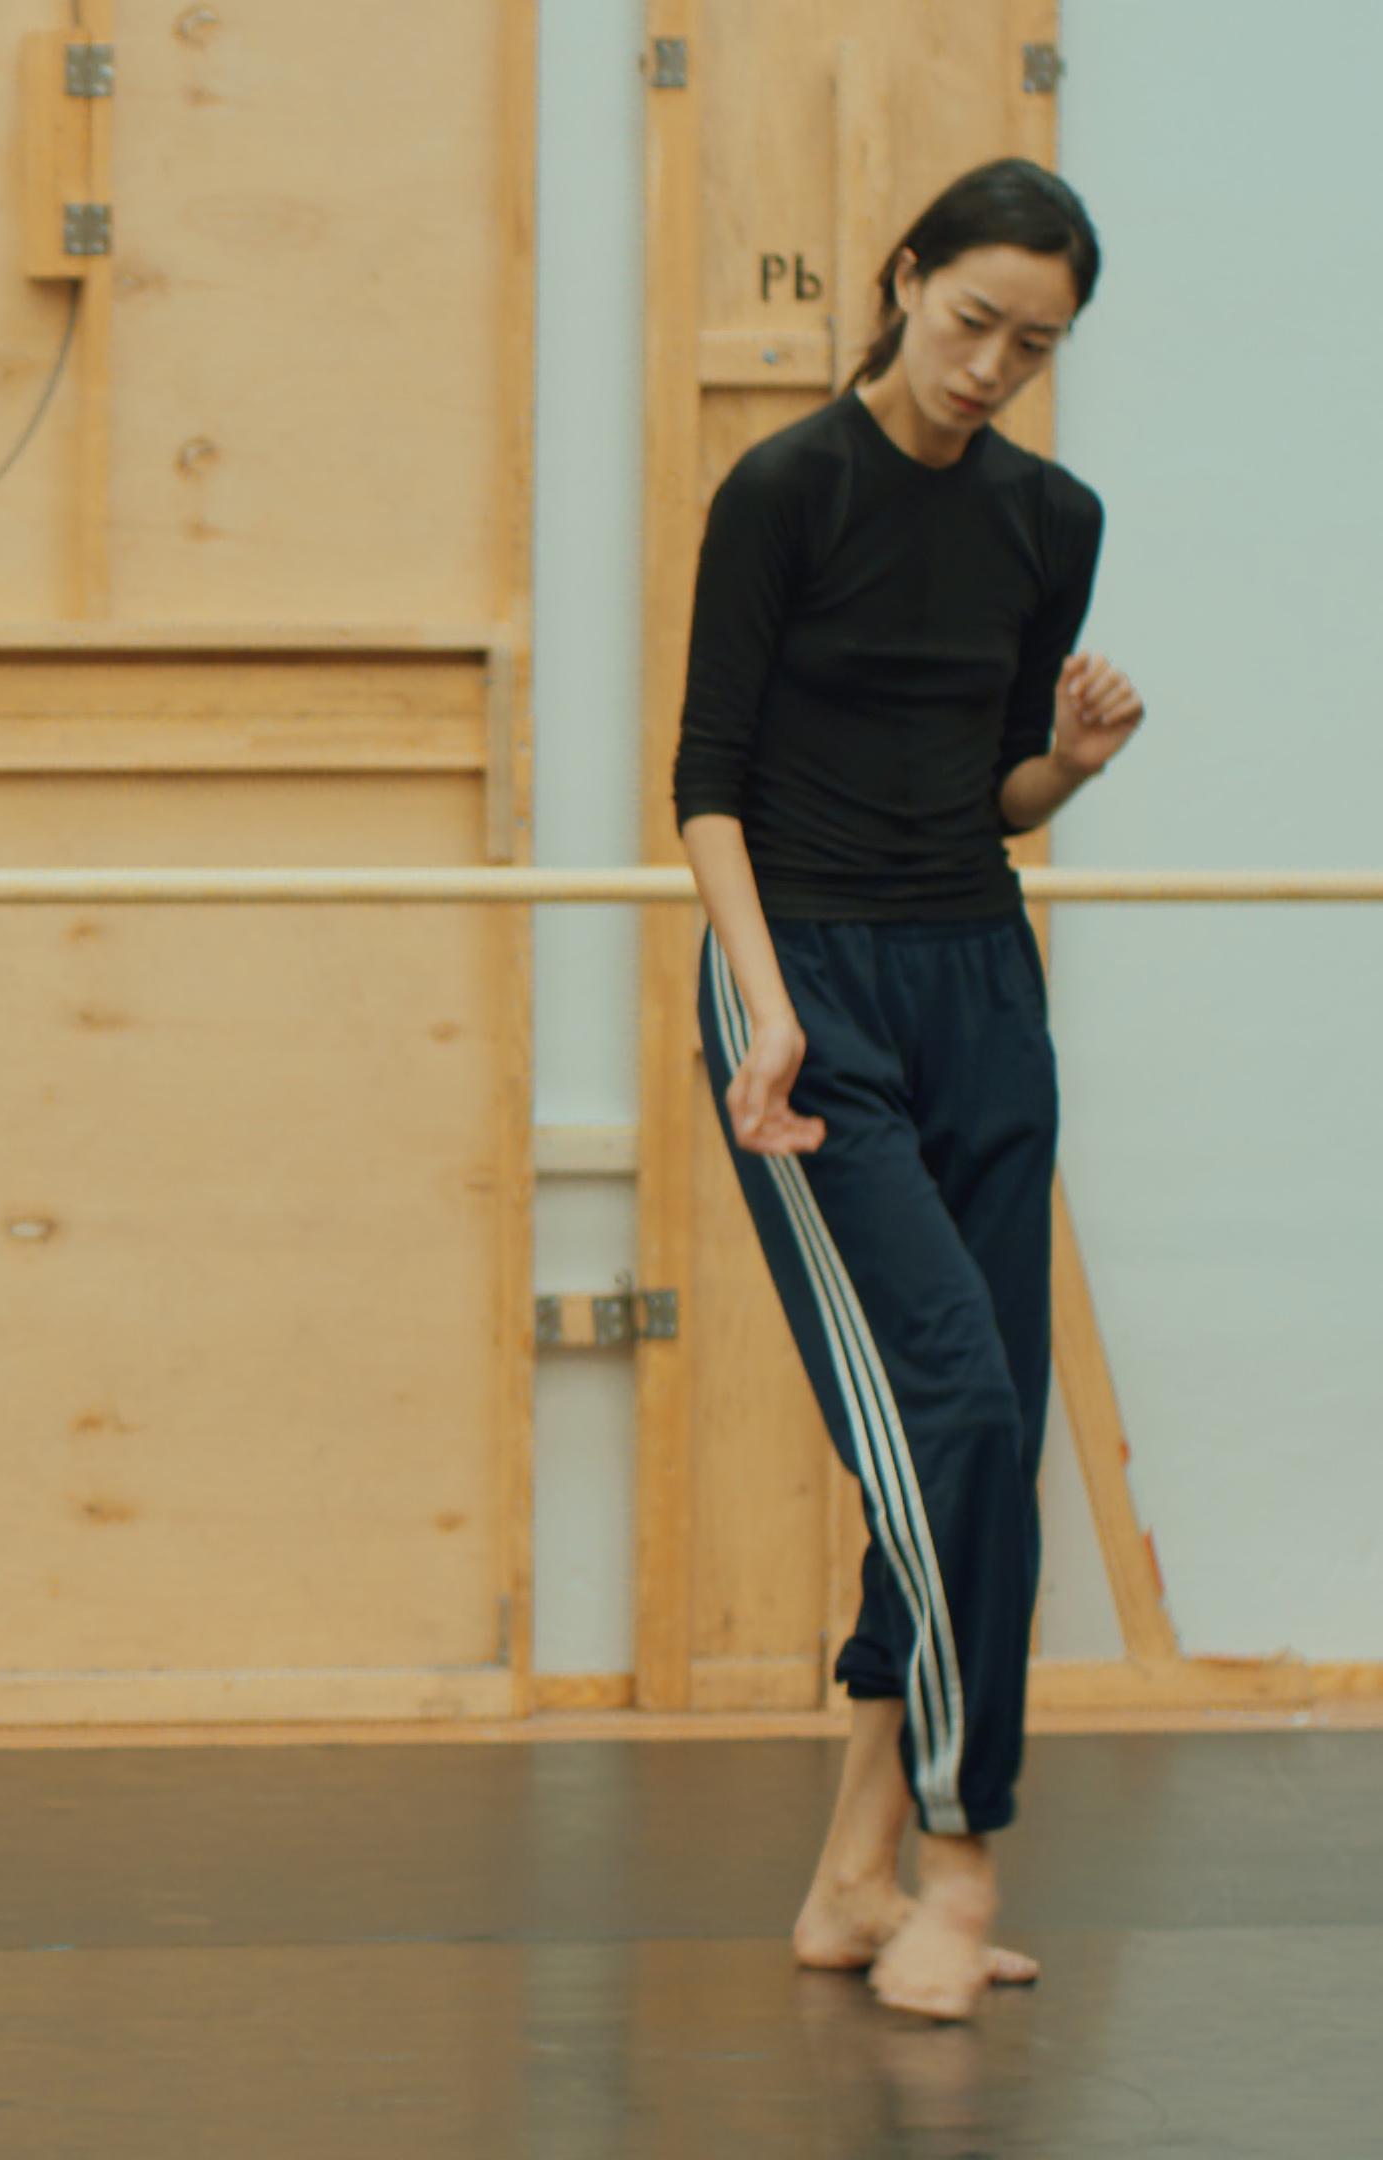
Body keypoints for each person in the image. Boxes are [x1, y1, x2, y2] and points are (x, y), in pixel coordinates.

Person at [673, 158, 1143, 2022]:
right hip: (808, 989)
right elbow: (707, 783)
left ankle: (851, 1878)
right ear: (906, 280)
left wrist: (1074, 768)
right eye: (972, 324)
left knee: (979, 1434)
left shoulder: (1053, 517)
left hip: (977, 975)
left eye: (1034, 346)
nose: (993, 368)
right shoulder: (787, 490)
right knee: (939, 1408)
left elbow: (996, 795)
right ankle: (960, 1860)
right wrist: (768, 1012)